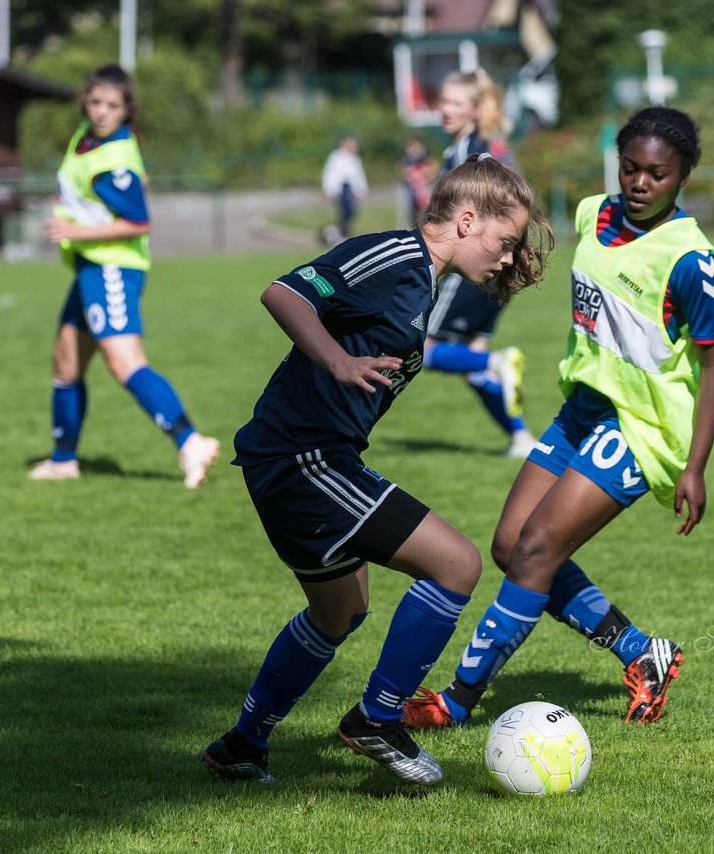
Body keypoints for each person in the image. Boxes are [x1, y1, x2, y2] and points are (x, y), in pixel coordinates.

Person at [200, 154, 553, 787]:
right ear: (467, 220)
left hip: (305, 457)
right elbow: (283, 293)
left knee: (340, 613)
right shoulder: (393, 255)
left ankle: (242, 745)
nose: (506, 258)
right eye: (504, 242)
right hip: (302, 456)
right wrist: (336, 361)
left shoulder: (425, 281)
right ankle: (378, 717)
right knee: (457, 564)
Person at [404, 106, 714, 731]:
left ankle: (456, 701)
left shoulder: (692, 262)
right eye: (629, 168)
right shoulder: (593, 214)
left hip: (642, 427)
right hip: (582, 409)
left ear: (683, 175)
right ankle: (642, 654)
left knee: (537, 548)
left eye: (656, 174)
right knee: (510, 546)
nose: (639, 183)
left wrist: (696, 465)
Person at [28, 64, 221, 488]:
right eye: (95, 102)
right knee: (65, 361)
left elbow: (138, 222)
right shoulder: (89, 138)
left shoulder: (113, 158)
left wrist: (76, 231)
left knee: (124, 362)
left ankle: (191, 442)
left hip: (112, 267)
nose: (101, 111)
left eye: (112, 105)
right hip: (88, 267)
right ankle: (63, 460)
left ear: (126, 109)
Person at [426, 68, 536, 458]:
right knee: (474, 368)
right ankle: (521, 437)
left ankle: (498, 360)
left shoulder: (470, 154)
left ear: (474, 109)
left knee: (424, 348)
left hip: (474, 268)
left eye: (455, 103)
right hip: (496, 265)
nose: (445, 109)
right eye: (443, 100)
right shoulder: (465, 149)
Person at [320, 136, 369, 246]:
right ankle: (338, 234)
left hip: (349, 189)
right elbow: (331, 175)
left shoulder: (354, 158)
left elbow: (357, 175)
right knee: (345, 212)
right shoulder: (336, 157)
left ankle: (339, 233)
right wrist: (330, 190)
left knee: (351, 213)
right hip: (341, 188)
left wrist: (361, 188)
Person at [398, 131, 437, 223]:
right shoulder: (406, 159)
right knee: (409, 212)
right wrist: (410, 177)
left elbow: (434, 169)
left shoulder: (426, 157)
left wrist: (426, 178)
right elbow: (401, 171)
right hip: (410, 188)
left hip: (425, 187)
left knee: (426, 209)